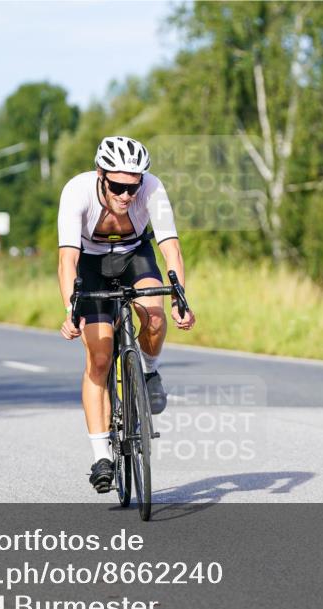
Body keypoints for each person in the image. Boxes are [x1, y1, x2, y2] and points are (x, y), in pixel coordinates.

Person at [57, 136, 196, 493]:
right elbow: (67, 259)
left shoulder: (151, 188)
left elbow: (171, 247)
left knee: (155, 315)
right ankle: (101, 455)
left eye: (132, 187)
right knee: (100, 358)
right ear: (101, 174)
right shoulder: (77, 192)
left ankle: (149, 372)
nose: (126, 195)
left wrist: (180, 295)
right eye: (117, 186)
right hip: (90, 263)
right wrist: (70, 309)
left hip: (135, 254)